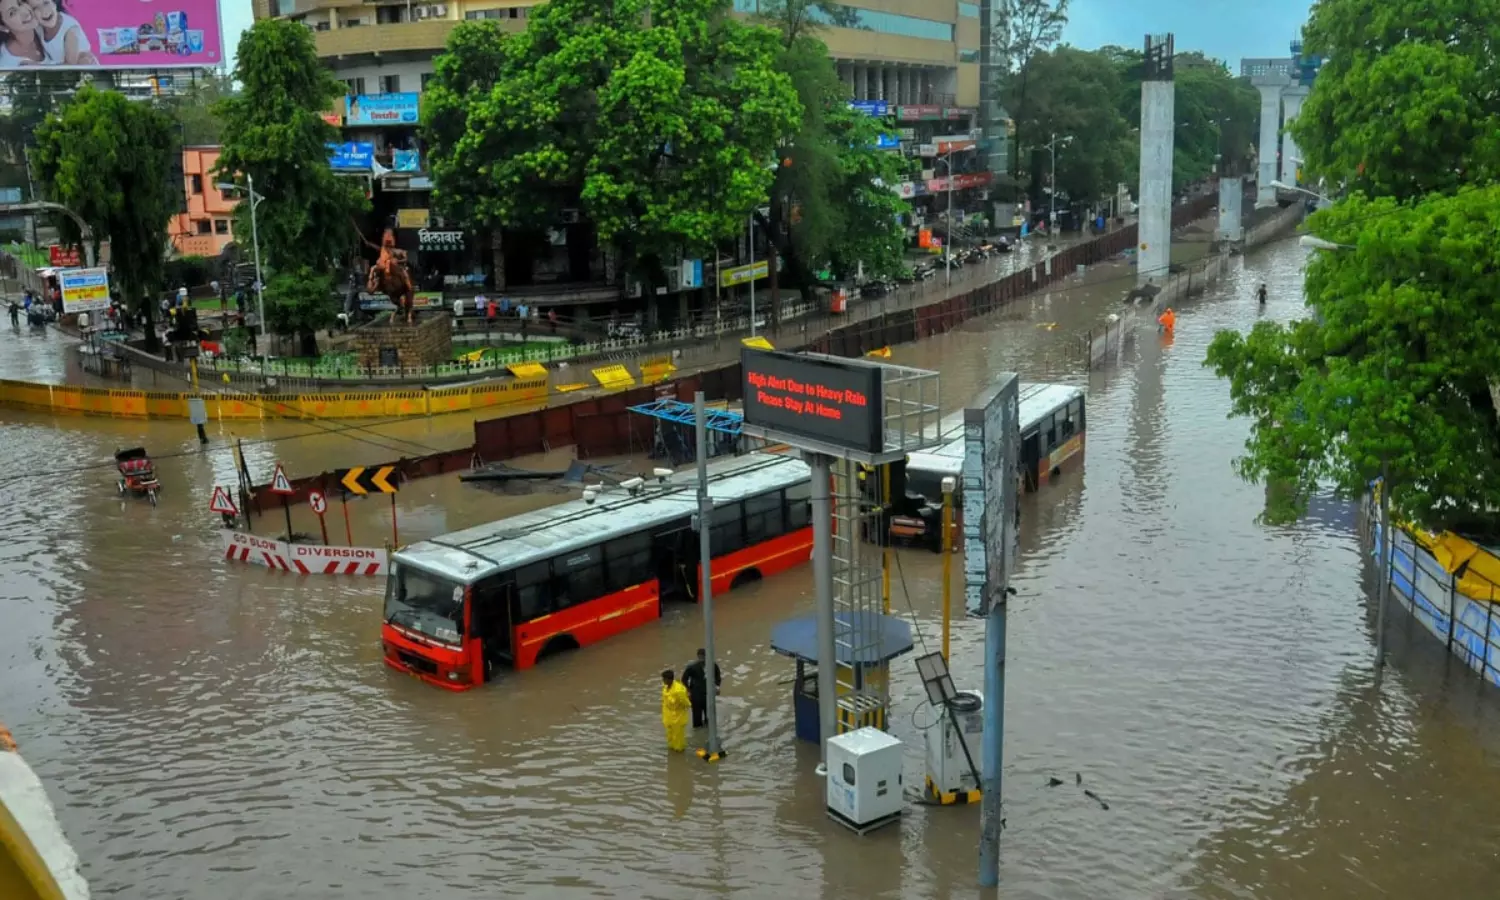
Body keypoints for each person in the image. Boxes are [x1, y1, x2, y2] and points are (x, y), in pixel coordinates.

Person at [26, 0, 92, 66]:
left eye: (46, 3)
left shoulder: (70, 29)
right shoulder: (38, 27)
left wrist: (38, 66)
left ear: (54, 3)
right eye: (35, 8)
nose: (44, 11)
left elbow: (70, 67)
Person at [680, 648, 722, 729]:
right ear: (698, 656)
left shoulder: (713, 665)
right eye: (700, 657)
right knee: (697, 718)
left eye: (704, 656)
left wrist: (717, 687)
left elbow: (718, 676)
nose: (702, 658)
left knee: (710, 717)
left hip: (708, 694)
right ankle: (698, 734)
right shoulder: (692, 666)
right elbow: (684, 679)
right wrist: (688, 691)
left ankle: (708, 731)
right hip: (696, 695)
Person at [0, 0, 46, 67]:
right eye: (12, 13)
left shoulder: (46, 25)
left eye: (20, 3)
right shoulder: (6, 64)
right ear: (3, 27)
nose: (25, 12)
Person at [660, 669, 690, 752]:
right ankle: (671, 749)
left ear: (669, 679)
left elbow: (686, 703)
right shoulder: (666, 687)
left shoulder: (678, 690)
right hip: (668, 716)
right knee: (670, 734)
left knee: (678, 737)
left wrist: (684, 707)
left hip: (678, 717)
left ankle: (679, 751)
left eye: (664, 679)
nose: (663, 681)